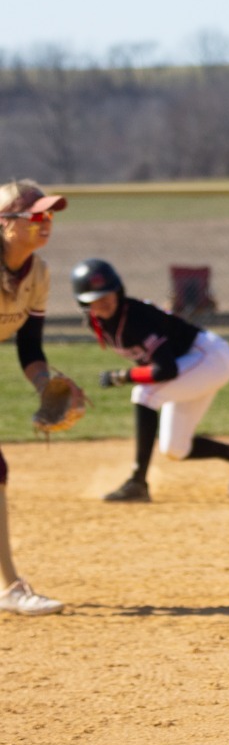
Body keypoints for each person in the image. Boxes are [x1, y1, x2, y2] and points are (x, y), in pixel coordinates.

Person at [77, 259, 229, 502]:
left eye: (108, 294)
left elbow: (166, 370)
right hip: (192, 366)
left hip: (208, 357)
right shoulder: (98, 323)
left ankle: (137, 482)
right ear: (84, 303)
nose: (104, 302)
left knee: (145, 394)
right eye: (95, 299)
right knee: (175, 449)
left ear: (118, 290)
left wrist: (123, 376)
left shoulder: (135, 318)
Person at [0, 181, 71, 616]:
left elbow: (29, 348)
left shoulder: (39, 274)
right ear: (6, 224)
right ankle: (11, 588)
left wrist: (47, 384)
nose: (46, 223)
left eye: (50, 216)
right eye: (37, 216)